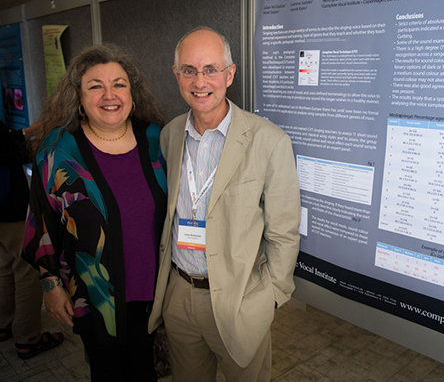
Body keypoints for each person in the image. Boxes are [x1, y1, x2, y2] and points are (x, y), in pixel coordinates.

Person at [148, 27, 301, 382]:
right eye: (189, 70)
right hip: (180, 294)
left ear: (229, 74)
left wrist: (271, 298)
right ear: (176, 75)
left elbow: (284, 232)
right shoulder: (170, 135)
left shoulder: (269, 141)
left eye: (210, 69)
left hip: (240, 301)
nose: (200, 81)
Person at [22, 44, 168, 381]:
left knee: (146, 369)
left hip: (155, 289)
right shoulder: (59, 151)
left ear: (132, 92)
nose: (109, 95)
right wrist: (50, 284)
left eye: (119, 84)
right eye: (95, 86)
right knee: (108, 373)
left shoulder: (156, 138)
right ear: (79, 98)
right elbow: (40, 222)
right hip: (95, 294)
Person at [0, 119, 64, 359]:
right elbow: (8, 151)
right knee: (27, 270)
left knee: (5, 267)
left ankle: (4, 325)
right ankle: (28, 339)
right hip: (10, 209)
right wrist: (37, 136)